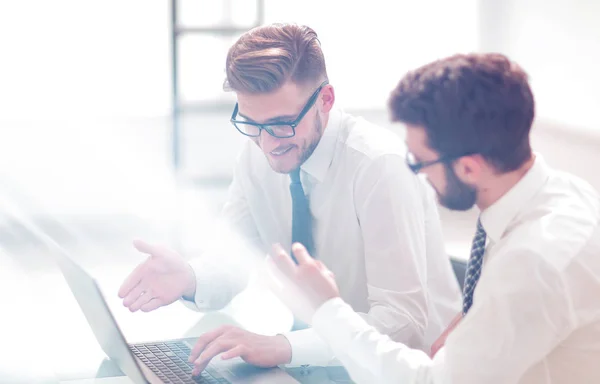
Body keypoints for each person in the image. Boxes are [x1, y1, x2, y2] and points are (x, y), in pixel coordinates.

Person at [117, 23, 461, 374]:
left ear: (325, 100)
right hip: (315, 356)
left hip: (394, 370)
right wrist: (190, 277)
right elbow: (234, 259)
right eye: (251, 123)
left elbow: (402, 322)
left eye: (282, 123)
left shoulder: (380, 168)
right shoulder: (257, 158)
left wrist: (281, 346)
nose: (268, 144)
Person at [268, 52, 600, 383]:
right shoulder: (560, 192)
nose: (418, 175)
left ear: (469, 167)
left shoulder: (533, 262)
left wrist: (328, 309)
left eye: (420, 163)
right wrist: (480, 317)